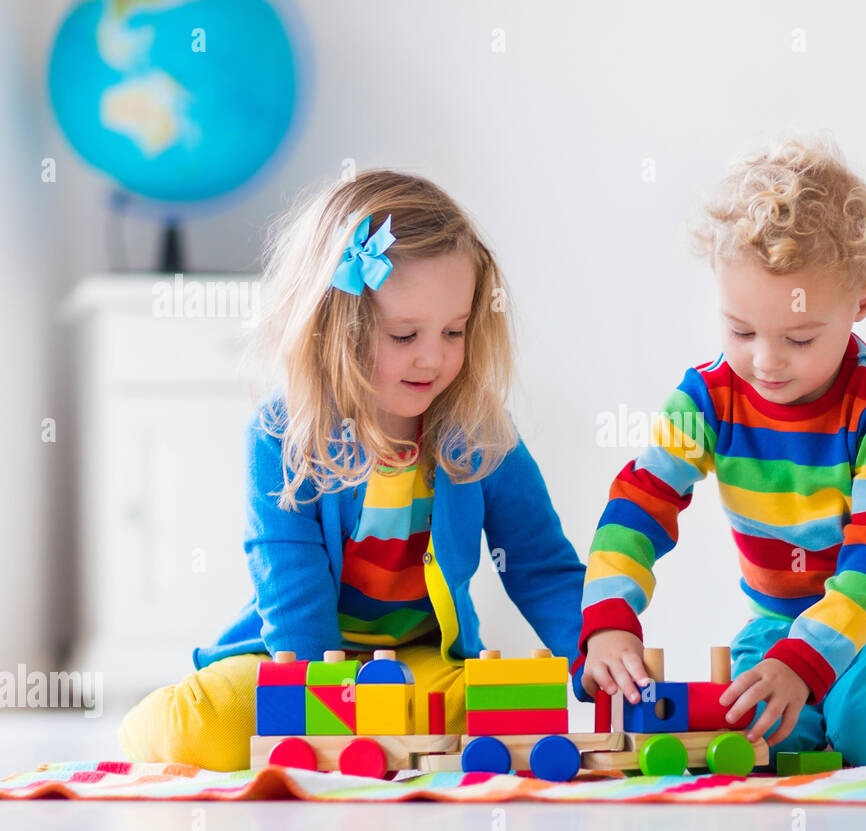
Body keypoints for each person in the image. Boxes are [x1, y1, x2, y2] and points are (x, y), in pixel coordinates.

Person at [576, 138, 866, 768]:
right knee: (751, 739)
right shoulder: (703, 400)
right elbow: (641, 502)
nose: (765, 361)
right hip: (787, 620)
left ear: (863, 301)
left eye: (798, 337)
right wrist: (608, 619)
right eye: (740, 330)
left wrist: (804, 664)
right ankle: (835, 699)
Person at [118, 170, 586, 771]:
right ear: (337, 329)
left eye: (454, 331)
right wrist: (324, 704)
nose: (433, 357)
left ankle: (384, 736)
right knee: (203, 729)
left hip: (414, 658)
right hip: (294, 656)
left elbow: (539, 560)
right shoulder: (283, 433)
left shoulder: (478, 432)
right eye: (404, 334)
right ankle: (144, 727)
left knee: (503, 713)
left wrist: (590, 646)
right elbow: (289, 575)